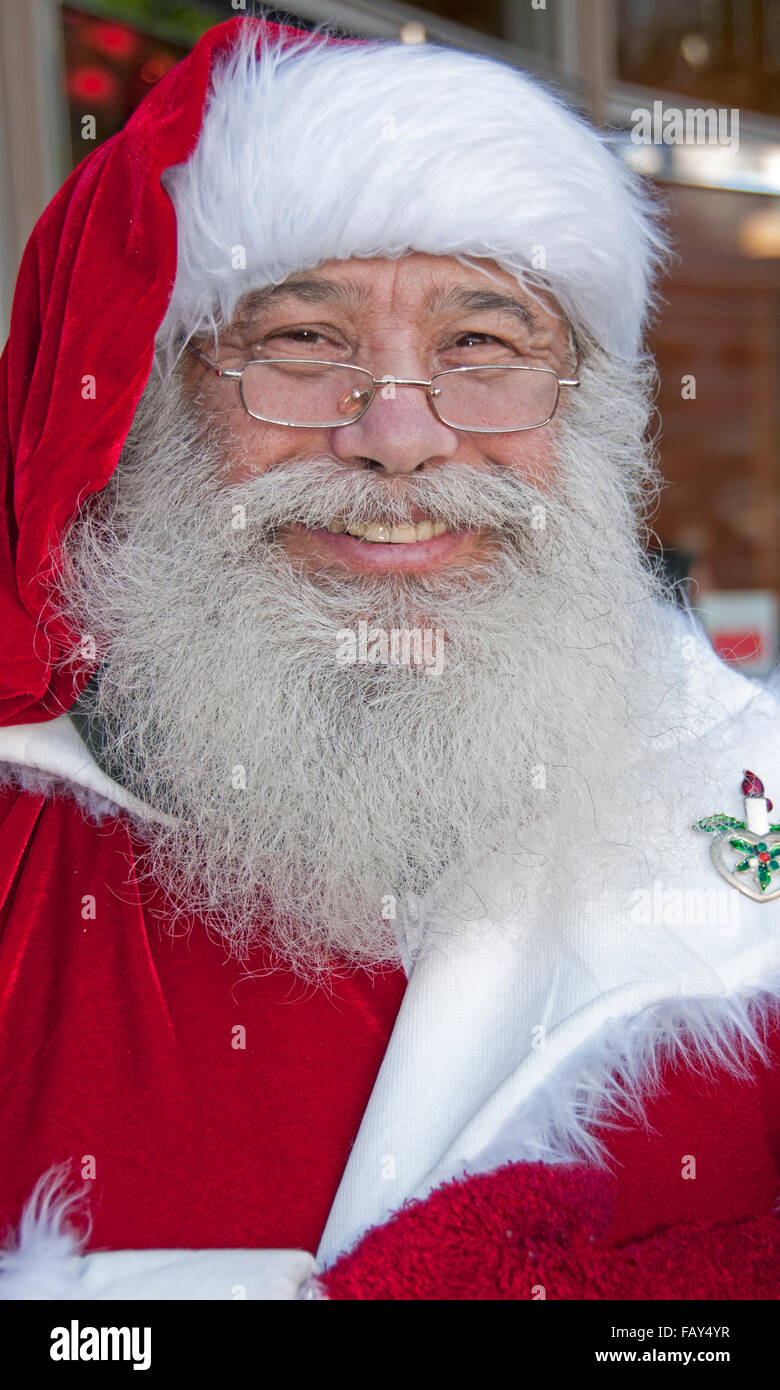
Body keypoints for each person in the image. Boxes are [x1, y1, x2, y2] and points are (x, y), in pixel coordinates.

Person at [1, 13, 779, 1302]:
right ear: (147, 415)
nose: (403, 436)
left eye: (486, 344)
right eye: (301, 342)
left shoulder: (746, 800)